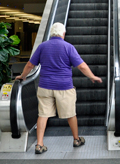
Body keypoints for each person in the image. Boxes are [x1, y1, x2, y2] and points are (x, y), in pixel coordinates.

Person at [16, 22, 102, 154]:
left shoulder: (42, 47)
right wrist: (92, 76)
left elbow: (29, 65)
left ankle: (39, 145)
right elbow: (82, 66)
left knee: (43, 115)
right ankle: (76, 139)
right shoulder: (68, 47)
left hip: (45, 86)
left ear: (51, 33)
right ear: (63, 33)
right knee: (70, 114)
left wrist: (22, 76)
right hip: (64, 87)